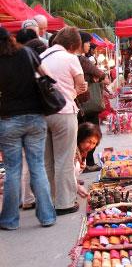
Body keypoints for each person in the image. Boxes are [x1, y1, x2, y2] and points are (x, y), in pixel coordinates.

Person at [0, 27, 56, 229]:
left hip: (8, 120)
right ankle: (47, 217)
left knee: (13, 170)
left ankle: (9, 220)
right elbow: (47, 76)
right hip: (35, 117)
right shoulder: (27, 52)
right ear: (10, 38)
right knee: (37, 167)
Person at [40, 26, 88, 215]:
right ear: (72, 45)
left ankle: (50, 201)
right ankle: (65, 202)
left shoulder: (41, 57)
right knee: (64, 159)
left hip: (41, 113)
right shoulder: (70, 59)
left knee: (47, 161)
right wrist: (77, 89)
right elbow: (81, 85)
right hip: (64, 111)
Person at [77, 32, 106, 172]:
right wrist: (93, 77)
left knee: (82, 134)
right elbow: (101, 74)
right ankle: (88, 162)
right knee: (90, 134)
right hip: (87, 103)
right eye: (88, 42)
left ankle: (83, 162)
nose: (89, 45)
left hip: (79, 103)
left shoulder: (75, 59)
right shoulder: (81, 59)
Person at [75, 123, 102, 198]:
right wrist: (75, 186)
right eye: (89, 141)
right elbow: (65, 172)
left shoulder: (83, 151)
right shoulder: (72, 151)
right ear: (81, 138)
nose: (91, 146)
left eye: (94, 143)